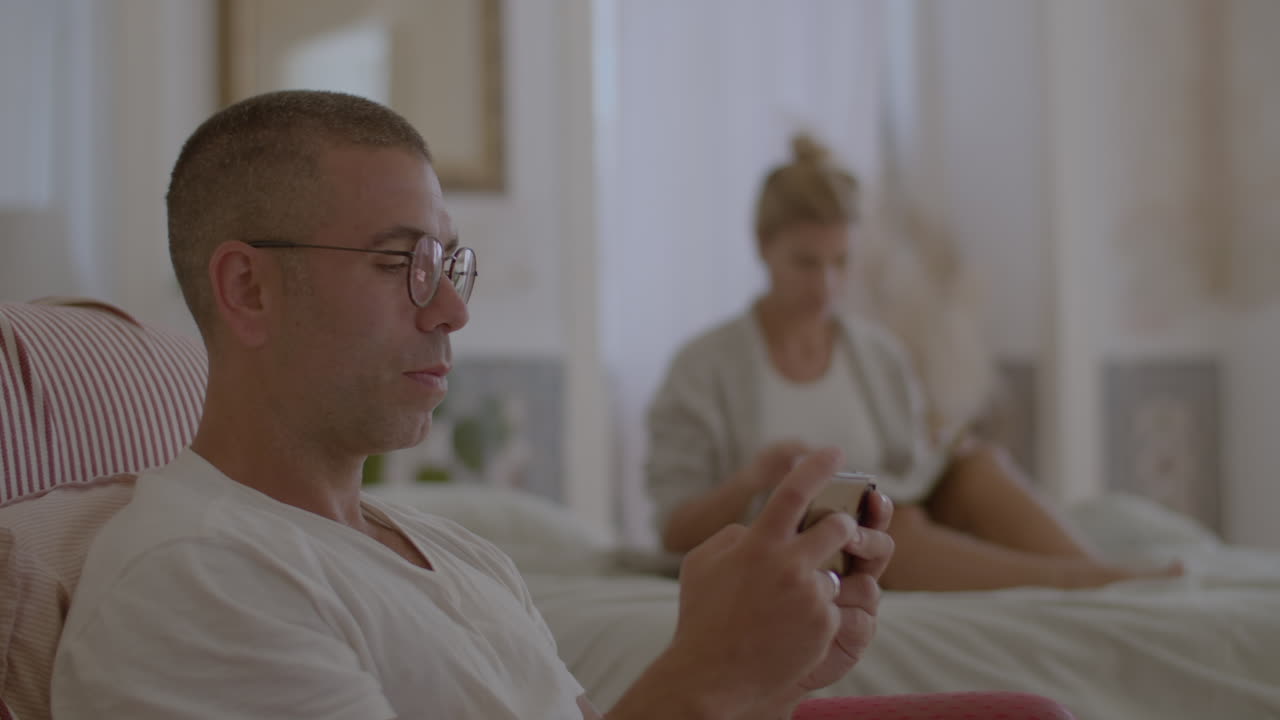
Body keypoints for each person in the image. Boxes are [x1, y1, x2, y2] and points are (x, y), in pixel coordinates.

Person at [49, 91, 895, 720]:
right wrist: (712, 673)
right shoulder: (196, 577)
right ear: (248, 288)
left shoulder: (458, 558)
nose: (452, 310)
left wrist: (769, 675)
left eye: (450, 267)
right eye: (399, 264)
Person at [646, 133, 1182, 592]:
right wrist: (753, 480)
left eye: (841, 262)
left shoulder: (877, 356)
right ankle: (1084, 585)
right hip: (805, 544)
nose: (826, 285)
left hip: (897, 515)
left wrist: (944, 451)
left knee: (979, 467)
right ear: (763, 247)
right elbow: (673, 530)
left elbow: (911, 473)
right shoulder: (702, 368)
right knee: (888, 527)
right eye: (806, 263)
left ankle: (1097, 573)